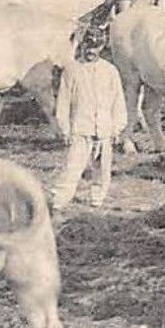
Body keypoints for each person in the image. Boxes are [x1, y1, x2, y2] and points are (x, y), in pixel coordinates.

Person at [49, 27, 128, 211]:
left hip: (104, 129)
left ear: (102, 47)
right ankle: (58, 201)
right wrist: (65, 129)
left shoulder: (110, 71)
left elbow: (118, 101)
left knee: (102, 170)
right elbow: (63, 102)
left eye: (96, 47)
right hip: (81, 128)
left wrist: (117, 127)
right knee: (73, 167)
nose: (92, 51)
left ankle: (97, 199)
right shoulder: (72, 70)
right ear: (83, 46)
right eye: (89, 46)